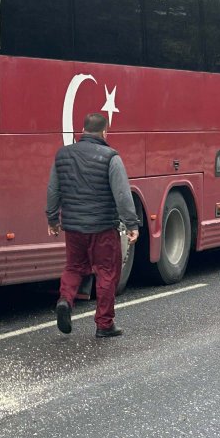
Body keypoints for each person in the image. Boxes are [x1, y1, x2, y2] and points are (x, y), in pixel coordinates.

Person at [46, 112, 140, 338]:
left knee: (73, 268)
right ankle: (104, 324)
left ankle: (65, 301)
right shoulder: (110, 157)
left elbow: (53, 190)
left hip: (74, 227)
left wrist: (52, 219)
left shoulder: (63, 155)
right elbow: (122, 194)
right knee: (107, 272)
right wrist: (131, 224)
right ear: (105, 131)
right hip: (102, 228)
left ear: (83, 130)